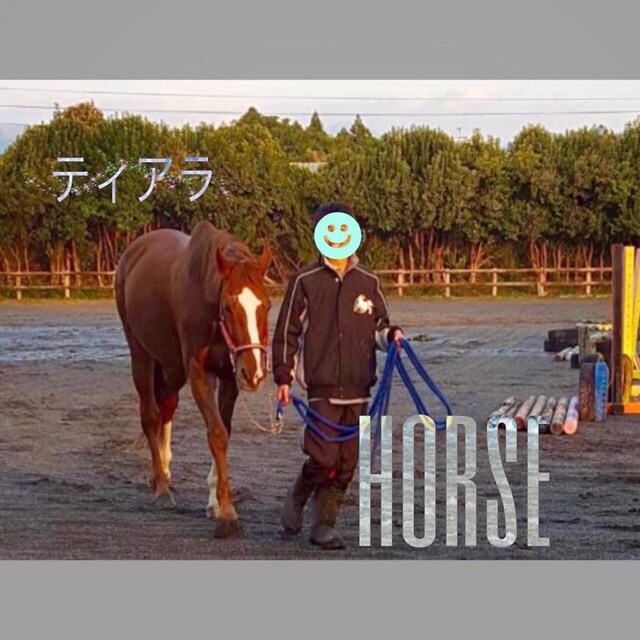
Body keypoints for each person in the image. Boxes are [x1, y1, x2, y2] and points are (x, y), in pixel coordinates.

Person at [272, 202, 403, 550]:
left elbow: (379, 326)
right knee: (324, 456)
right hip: (322, 385)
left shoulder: (369, 282)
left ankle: (323, 525)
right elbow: (287, 332)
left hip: (359, 385)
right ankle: (300, 493)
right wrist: (284, 377)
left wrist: (392, 336)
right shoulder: (305, 282)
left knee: (346, 462)